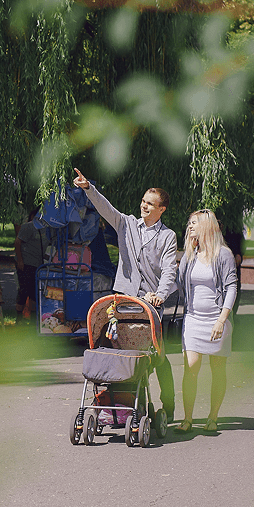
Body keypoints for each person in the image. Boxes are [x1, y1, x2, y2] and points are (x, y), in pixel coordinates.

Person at [72, 168, 177, 420]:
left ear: (161, 209)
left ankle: (169, 404)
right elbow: (105, 208)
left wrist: (160, 294)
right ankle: (119, 405)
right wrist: (88, 188)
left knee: (158, 359)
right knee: (119, 354)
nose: (144, 206)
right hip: (122, 303)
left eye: (150, 204)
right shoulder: (126, 223)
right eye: (143, 201)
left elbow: (169, 271)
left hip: (150, 305)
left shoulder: (168, 236)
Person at [177, 209, 239, 433]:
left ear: (207, 226)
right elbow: (179, 280)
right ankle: (187, 418)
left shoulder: (223, 254)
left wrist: (222, 320)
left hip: (216, 319)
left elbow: (232, 287)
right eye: (189, 223)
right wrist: (187, 252)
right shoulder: (192, 254)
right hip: (193, 319)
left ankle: (213, 417)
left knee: (217, 368)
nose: (190, 227)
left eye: (194, 223)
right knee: (190, 368)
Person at [14, 209, 46, 319]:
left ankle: (32, 319)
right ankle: (18, 317)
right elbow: (18, 242)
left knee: (34, 292)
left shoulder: (45, 229)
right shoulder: (28, 227)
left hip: (38, 266)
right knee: (24, 290)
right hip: (27, 264)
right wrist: (20, 261)